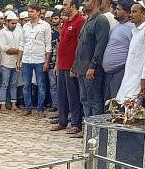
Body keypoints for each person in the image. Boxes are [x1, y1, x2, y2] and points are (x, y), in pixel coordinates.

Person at [72, 0, 110, 136]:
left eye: (87, 1)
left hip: (92, 69)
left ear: (94, 3)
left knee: (94, 100)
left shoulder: (101, 20)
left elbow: (100, 46)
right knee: (85, 99)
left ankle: (96, 132)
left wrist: (93, 66)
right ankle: (87, 129)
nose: (83, 2)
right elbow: (81, 45)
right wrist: (75, 66)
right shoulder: (88, 20)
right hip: (82, 68)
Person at [50, 0, 85, 135]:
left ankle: (76, 123)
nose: (63, 8)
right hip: (62, 64)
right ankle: (62, 120)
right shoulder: (66, 22)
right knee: (62, 95)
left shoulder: (79, 21)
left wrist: (75, 66)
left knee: (73, 96)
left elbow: (79, 45)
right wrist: (58, 63)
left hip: (72, 65)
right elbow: (61, 44)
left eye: (65, 5)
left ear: (73, 6)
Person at [17, 4, 52, 117]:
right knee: (26, 85)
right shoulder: (25, 26)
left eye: (32, 11)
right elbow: (22, 44)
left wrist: (47, 62)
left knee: (41, 85)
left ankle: (40, 108)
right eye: (29, 12)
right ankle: (28, 107)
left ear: (38, 12)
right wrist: (19, 60)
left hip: (39, 59)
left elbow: (48, 45)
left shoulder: (45, 26)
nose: (30, 14)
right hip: (27, 59)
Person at [115, 1, 145, 104]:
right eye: (131, 12)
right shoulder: (135, 31)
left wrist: (144, 77)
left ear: (143, 14)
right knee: (124, 104)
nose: (130, 15)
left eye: (134, 12)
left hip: (138, 77)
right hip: (129, 75)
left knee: (132, 107)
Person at [101, 0, 134, 100]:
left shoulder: (132, 28)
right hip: (109, 73)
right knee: (109, 103)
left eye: (119, 9)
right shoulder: (117, 26)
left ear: (128, 13)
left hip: (120, 71)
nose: (115, 11)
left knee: (117, 103)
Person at [0, 11, 21, 112]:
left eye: (15, 23)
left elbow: (22, 45)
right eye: (12, 23)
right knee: (4, 84)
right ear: (7, 22)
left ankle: (13, 104)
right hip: (5, 62)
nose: (14, 25)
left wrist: (16, 51)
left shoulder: (19, 31)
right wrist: (18, 50)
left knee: (14, 84)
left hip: (17, 62)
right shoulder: (2, 32)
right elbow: (5, 48)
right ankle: (2, 104)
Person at [47, 9, 61, 114]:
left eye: (56, 18)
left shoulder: (63, 30)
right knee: (53, 85)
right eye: (52, 19)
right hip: (51, 62)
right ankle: (55, 104)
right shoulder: (50, 33)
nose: (54, 21)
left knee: (62, 86)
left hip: (63, 62)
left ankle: (63, 106)